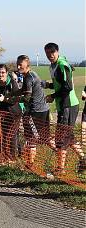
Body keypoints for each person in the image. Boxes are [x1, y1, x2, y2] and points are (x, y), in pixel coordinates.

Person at [43, 42, 85, 174]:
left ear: (57, 51)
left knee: (61, 137)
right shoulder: (54, 65)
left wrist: (53, 96)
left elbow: (68, 87)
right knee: (69, 135)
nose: (50, 55)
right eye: (48, 53)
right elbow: (59, 84)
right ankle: (84, 159)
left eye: (52, 52)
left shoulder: (62, 65)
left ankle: (60, 169)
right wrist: (46, 84)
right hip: (64, 105)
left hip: (68, 105)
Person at [16, 55, 54, 166]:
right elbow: (23, 90)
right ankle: (60, 151)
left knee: (30, 137)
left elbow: (27, 97)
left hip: (36, 112)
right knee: (44, 138)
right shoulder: (32, 74)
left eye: (21, 65)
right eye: (17, 64)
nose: (18, 67)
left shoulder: (28, 77)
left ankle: (30, 164)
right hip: (43, 109)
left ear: (27, 65)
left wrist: (13, 99)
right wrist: (11, 94)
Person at [0, 64, 24, 163]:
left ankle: (12, 158)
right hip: (3, 113)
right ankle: (6, 156)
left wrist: (6, 99)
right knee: (4, 134)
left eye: (3, 72)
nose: (1, 74)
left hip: (15, 112)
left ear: (7, 73)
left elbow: (17, 98)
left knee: (11, 134)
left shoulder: (12, 83)